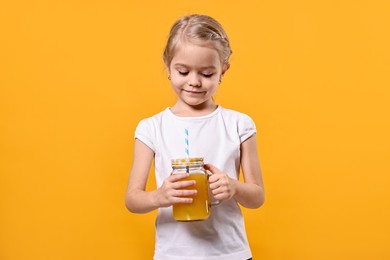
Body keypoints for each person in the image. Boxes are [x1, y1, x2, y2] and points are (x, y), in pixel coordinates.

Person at [125, 14, 265, 260]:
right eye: (183, 71)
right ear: (168, 65)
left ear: (223, 70)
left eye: (207, 74)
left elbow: (257, 197)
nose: (194, 82)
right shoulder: (151, 128)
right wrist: (160, 196)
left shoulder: (239, 124)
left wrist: (233, 187)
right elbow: (133, 199)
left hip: (230, 253)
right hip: (174, 254)